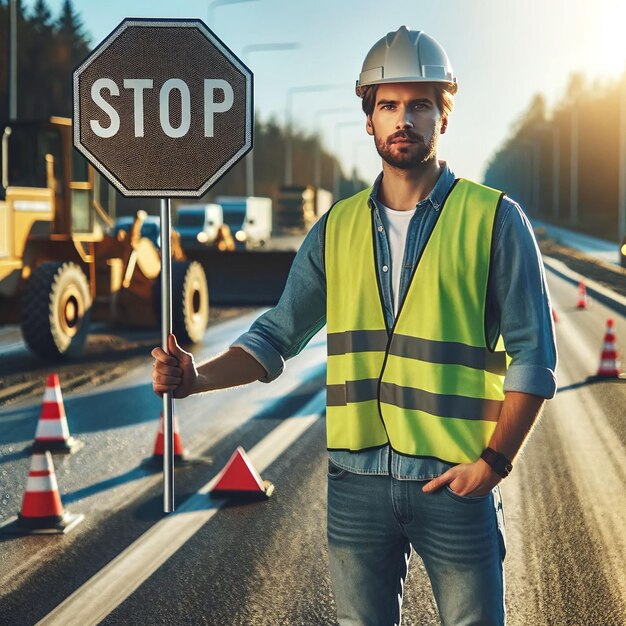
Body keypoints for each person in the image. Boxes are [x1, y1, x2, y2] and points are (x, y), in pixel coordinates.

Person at [152, 26, 557, 626]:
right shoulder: (335, 228)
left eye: (420, 104)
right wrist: (195, 379)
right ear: (368, 118)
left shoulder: (494, 219)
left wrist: (493, 464)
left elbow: (533, 357)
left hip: (455, 483)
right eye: (388, 105)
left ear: (443, 116)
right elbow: (276, 335)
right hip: (355, 483)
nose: (403, 119)